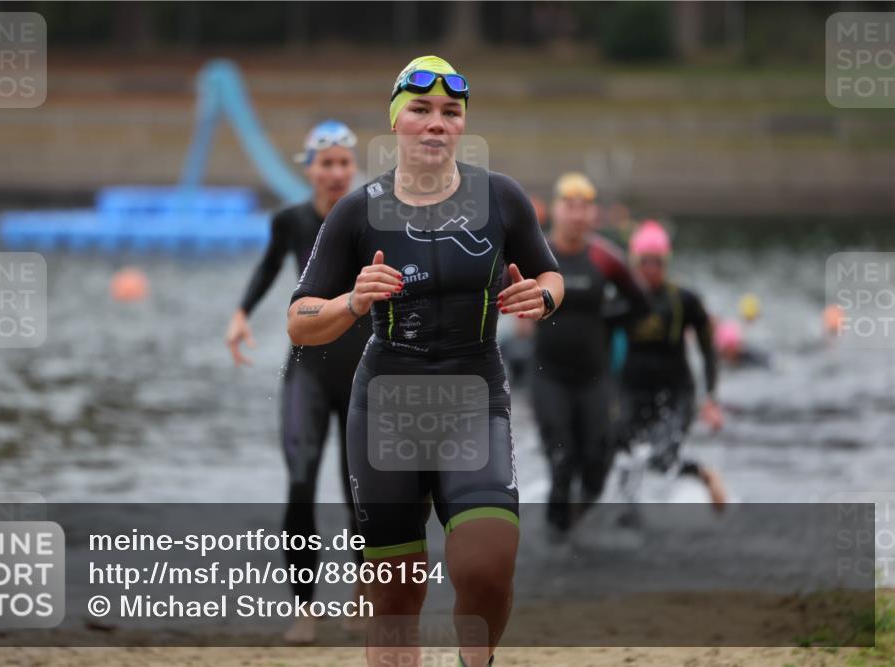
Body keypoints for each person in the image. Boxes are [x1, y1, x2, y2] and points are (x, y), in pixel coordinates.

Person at [287, 55, 564, 667]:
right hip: (386, 407)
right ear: (396, 123)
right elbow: (299, 320)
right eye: (420, 110)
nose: (436, 123)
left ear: (462, 125)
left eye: (450, 112)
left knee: (488, 565)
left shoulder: (501, 197)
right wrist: (352, 300)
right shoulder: (357, 211)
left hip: (475, 400)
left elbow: (551, 273)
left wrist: (543, 296)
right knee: (394, 599)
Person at [224, 120, 371, 644]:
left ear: (353, 168)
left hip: (364, 374)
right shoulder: (290, 221)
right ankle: (306, 608)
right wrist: (242, 312)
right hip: (308, 368)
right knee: (301, 483)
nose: (334, 173)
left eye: (342, 164)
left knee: (363, 492)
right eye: (325, 163)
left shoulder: (374, 219)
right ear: (308, 168)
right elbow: (266, 270)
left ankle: (363, 592)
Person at [530, 172, 650, 533]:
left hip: (594, 378)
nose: (577, 215)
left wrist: (611, 321)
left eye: (584, 208)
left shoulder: (606, 259)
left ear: (593, 215)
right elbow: (498, 293)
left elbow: (640, 304)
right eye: (569, 206)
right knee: (562, 461)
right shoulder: (537, 253)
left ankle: (577, 524)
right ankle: (556, 540)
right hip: (548, 376)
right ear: (556, 210)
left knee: (597, 461)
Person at [620, 220, 728, 508]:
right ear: (634, 262)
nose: (651, 269)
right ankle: (628, 520)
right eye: (645, 262)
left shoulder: (684, 300)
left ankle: (703, 475)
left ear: (666, 263)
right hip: (633, 390)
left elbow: (708, 350)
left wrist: (711, 399)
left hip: (677, 393)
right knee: (624, 458)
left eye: (658, 262)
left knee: (660, 457)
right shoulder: (621, 298)